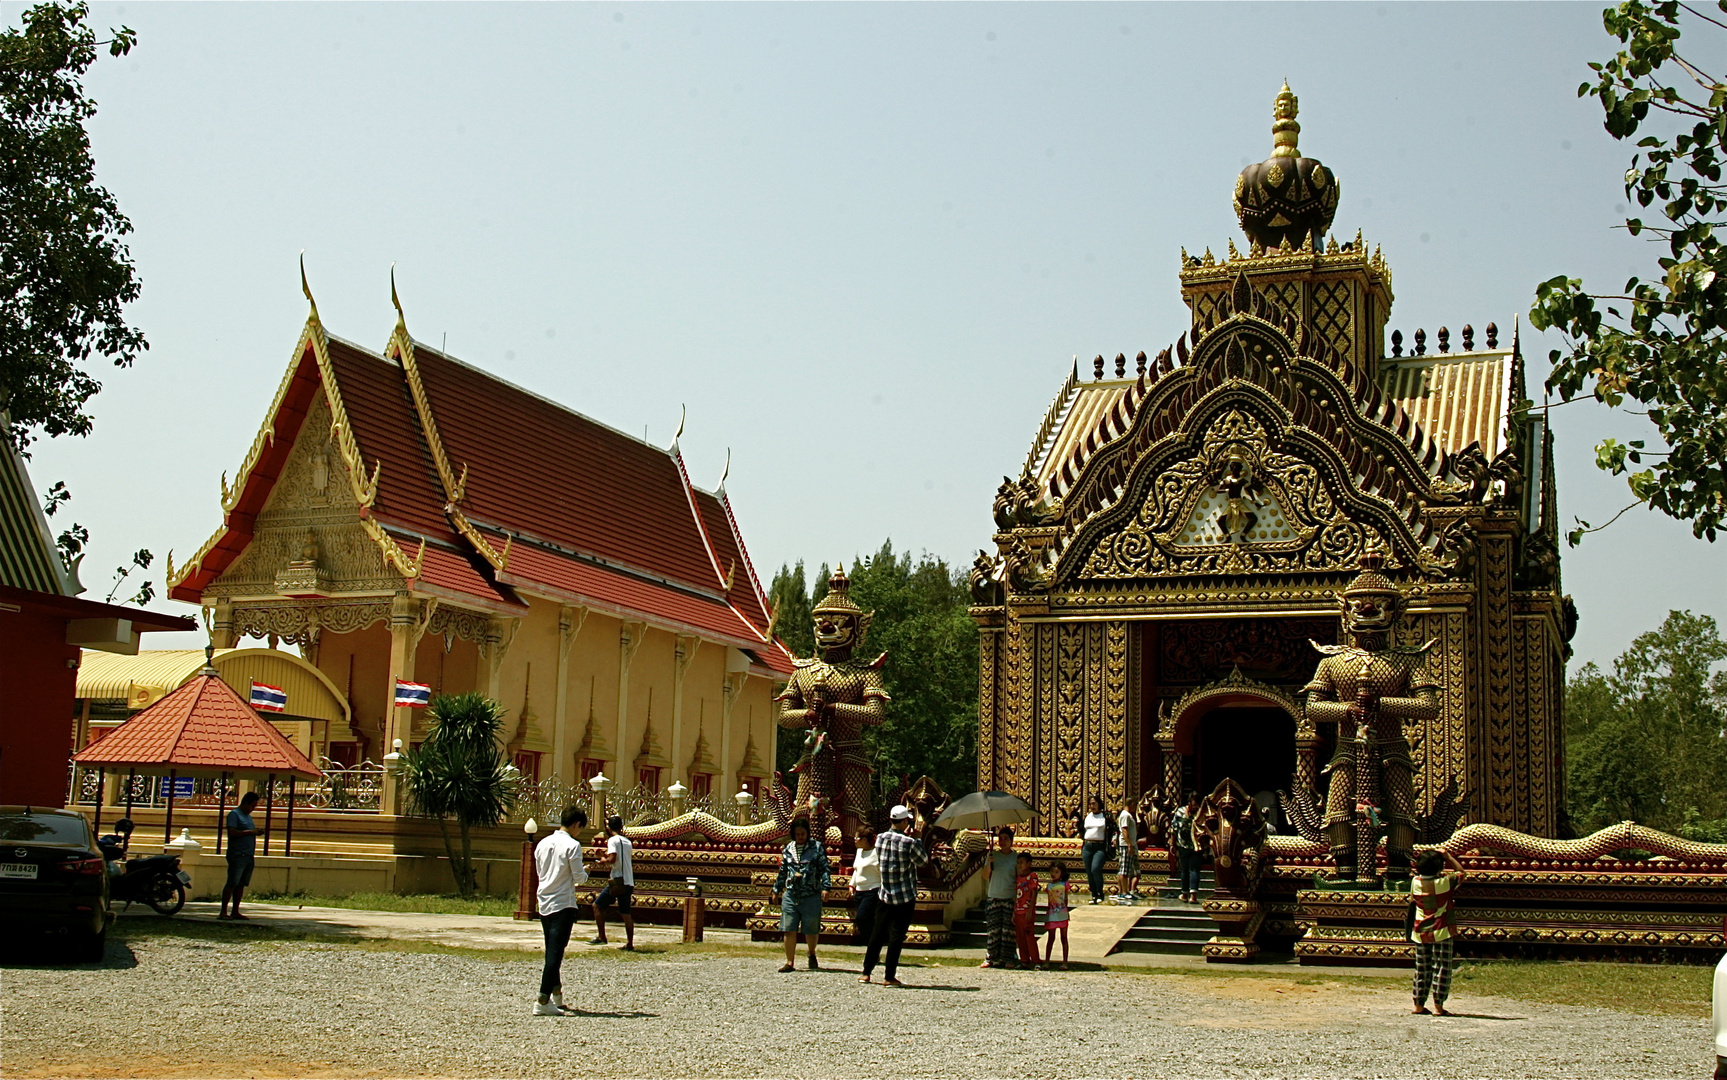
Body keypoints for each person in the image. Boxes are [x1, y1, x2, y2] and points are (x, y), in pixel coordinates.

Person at [860, 804, 928, 986]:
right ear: (905, 821)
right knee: (896, 936)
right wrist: (918, 839)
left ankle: (866, 971)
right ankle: (889, 976)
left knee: (877, 933)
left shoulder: (880, 839)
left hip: (884, 893)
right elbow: (923, 861)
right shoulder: (909, 843)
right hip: (904, 894)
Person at [532, 806, 589, 1016]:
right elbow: (578, 878)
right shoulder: (573, 846)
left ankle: (556, 996)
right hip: (563, 903)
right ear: (576, 824)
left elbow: (541, 871)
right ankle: (542, 999)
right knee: (555, 954)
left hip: (544, 901)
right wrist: (586, 873)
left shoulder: (542, 843)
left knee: (551, 950)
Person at [1410, 848, 1467, 1016]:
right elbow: (1461, 873)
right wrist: (1448, 857)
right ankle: (1438, 1005)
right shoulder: (1445, 882)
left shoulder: (1415, 882)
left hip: (1420, 930)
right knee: (1441, 967)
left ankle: (1418, 1004)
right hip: (1441, 929)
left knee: (1422, 968)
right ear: (1439, 867)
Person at [772, 817, 832, 972]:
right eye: (797, 834)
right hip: (791, 893)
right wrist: (776, 890)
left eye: (803, 833)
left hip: (811, 893)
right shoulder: (788, 849)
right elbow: (783, 871)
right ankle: (790, 961)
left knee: (811, 928)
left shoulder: (817, 848)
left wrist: (826, 887)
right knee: (789, 927)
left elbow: (824, 868)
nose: (800, 837)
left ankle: (811, 953)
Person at [589, 816, 635, 950]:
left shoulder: (612, 841)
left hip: (616, 880)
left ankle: (602, 936)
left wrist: (602, 859)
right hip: (628, 881)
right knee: (626, 913)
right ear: (621, 827)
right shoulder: (627, 842)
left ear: (608, 827)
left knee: (597, 906)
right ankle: (630, 943)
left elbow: (613, 859)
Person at [219, 792, 261, 919]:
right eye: (252, 806)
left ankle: (235, 911)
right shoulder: (234, 814)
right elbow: (232, 832)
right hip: (237, 854)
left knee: (241, 884)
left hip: (248, 854)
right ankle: (223, 911)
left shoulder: (248, 817)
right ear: (245, 803)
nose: (253, 809)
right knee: (232, 882)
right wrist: (250, 832)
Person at [980, 826, 1018, 969]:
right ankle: (991, 957)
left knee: (1008, 931)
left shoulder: (1015, 857)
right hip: (994, 895)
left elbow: (1018, 878)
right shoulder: (992, 856)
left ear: (1011, 841)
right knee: (993, 930)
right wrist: (989, 863)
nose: (1002, 842)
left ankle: (1008, 958)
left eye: (1006, 839)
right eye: (1000, 839)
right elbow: (984, 876)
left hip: (1008, 897)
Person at [1075, 795, 1116, 904]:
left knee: (1095, 868)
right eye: (1090, 804)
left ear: (1099, 804)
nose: (1092, 806)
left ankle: (1099, 892)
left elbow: (1114, 829)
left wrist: (1114, 840)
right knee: (1089, 871)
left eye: (1094, 804)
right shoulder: (1088, 817)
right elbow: (1082, 830)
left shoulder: (1105, 817)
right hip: (1088, 846)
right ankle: (1093, 894)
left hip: (1100, 846)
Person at [849, 825, 881, 948]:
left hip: (872, 890)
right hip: (860, 891)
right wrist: (852, 883)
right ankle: (872, 945)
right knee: (865, 921)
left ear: (864, 839)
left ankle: (873, 945)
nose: (855, 840)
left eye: (856, 838)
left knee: (862, 917)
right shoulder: (859, 852)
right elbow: (857, 869)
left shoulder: (876, 852)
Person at [1170, 793, 1203, 903]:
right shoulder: (1201, 813)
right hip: (1195, 845)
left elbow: (1174, 829)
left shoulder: (1180, 812)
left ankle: (1185, 893)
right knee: (1193, 869)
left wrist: (1172, 844)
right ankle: (1192, 896)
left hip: (1183, 844)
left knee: (1185, 870)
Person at [1012, 853, 1040, 968]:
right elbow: (1016, 895)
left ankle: (1036, 960)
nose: (1019, 865)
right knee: (1020, 937)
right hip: (1018, 911)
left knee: (1029, 936)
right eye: (1018, 863)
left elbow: (1034, 893)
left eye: (1022, 863)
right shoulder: (1018, 878)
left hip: (1027, 911)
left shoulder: (1032, 876)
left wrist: (1030, 910)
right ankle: (1024, 960)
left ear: (1029, 864)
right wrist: (1014, 911)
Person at [1043, 861, 1071, 970]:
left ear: (1062, 873)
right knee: (1051, 938)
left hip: (1062, 913)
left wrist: (1066, 911)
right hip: (1052, 913)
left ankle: (1065, 962)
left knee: (1064, 938)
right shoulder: (1049, 886)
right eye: (1052, 871)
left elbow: (1066, 899)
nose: (1053, 874)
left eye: (1056, 872)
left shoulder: (1065, 885)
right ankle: (1047, 961)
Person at [1115, 800, 1141, 903]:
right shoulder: (1125, 815)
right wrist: (1129, 843)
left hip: (1128, 844)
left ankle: (1123, 891)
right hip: (1126, 845)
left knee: (1125, 868)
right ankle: (1124, 892)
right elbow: (1124, 830)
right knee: (1124, 870)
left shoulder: (1126, 815)